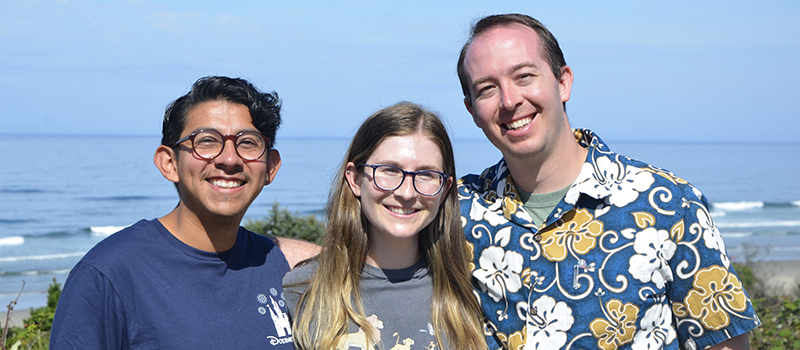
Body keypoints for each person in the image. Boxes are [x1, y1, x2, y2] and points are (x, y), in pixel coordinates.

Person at [456, 14, 759, 350]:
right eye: (487, 89)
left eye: (524, 76)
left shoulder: (669, 203)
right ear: (472, 110)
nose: (510, 101)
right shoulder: (457, 213)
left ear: (563, 82)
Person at [51, 76, 297, 349]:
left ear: (271, 167)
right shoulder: (109, 275)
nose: (229, 159)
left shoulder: (277, 266)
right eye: (206, 141)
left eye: (248, 142)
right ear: (169, 163)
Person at [283, 102, 486, 350]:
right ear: (355, 179)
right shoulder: (302, 291)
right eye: (390, 170)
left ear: (444, 190)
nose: (407, 192)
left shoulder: (473, 293)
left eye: (426, 174)